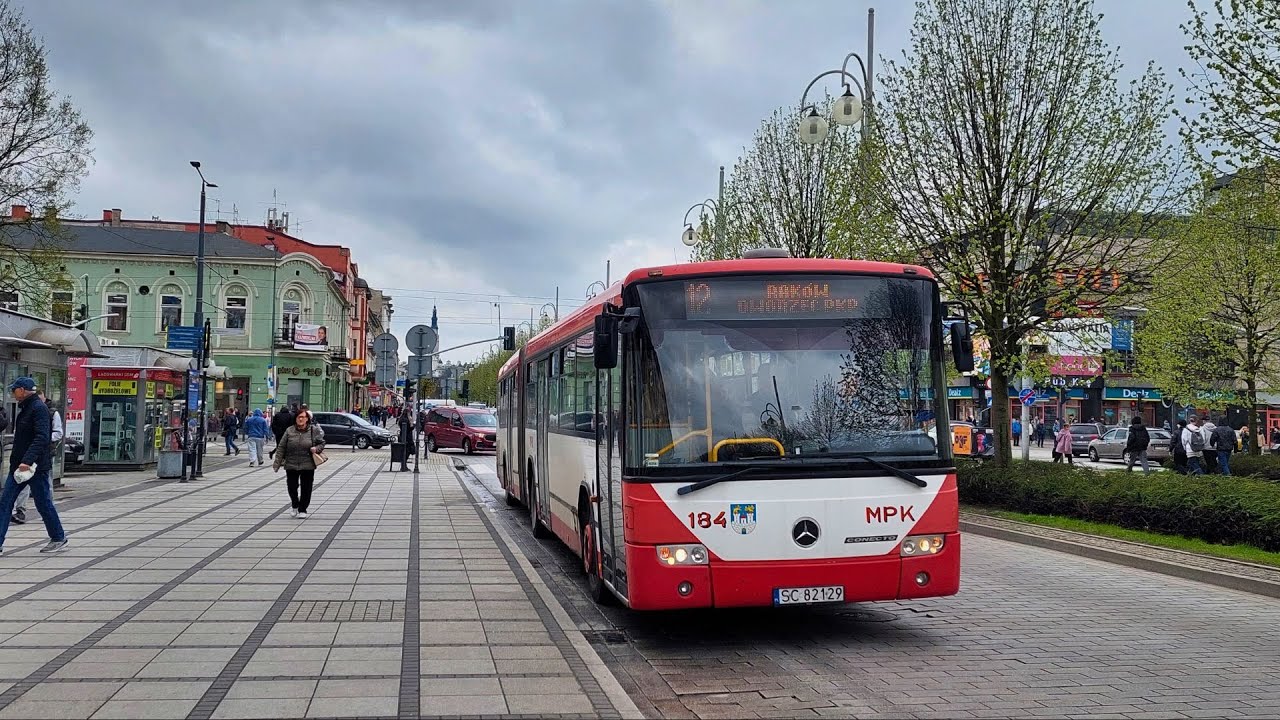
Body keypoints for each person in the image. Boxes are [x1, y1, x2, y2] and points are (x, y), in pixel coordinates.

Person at [0, 377, 67, 553]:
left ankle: (58, 537)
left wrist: (27, 461)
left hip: (34, 467)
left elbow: (41, 438)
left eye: (14, 390)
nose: (13, 393)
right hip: (20, 466)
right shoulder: (27, 408)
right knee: (5, 502)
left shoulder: (38, 409)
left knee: (43, 503)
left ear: (23, 390)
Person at [12, 392, 59, 525]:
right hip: (23, 459)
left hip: (41, 458)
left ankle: (54, 525)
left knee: (45, 491)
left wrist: (47, 441)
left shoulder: (50, 412)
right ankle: (20, 511)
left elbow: (49, 435)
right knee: (14, 493)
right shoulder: (25, 410)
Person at [273, 409, 325, 518]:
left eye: (303, 417)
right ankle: (295, 504)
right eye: (298, 417)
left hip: (307, 464)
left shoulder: (313, 430)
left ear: (307, 419)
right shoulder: (289, 431)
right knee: (292, 487)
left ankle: (303, 509)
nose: (300, 419)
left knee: (306, 488)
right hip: (291, 463)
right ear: (295, 419)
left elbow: (322, 443)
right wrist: (277, 463)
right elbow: (281, 447)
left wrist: (316, 448)